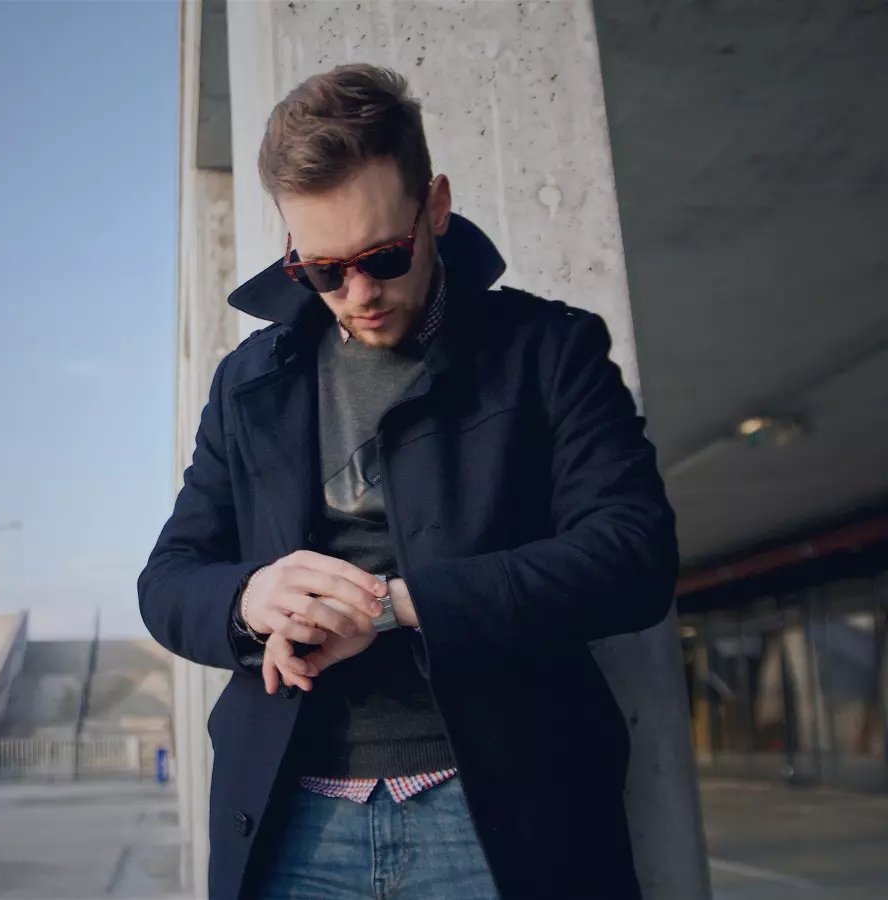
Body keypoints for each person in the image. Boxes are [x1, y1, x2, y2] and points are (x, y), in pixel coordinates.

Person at [139, 63, 678, 900]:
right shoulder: (249, 383)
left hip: (504, 811)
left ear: (435, 207)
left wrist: (394, 606)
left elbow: (633, 558)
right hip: (290, 820)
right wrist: (251, 602)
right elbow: (169, 579)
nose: (357, 294)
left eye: (384, 256)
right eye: (320, 270)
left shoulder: (549, 351)